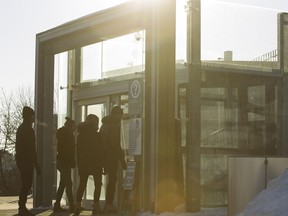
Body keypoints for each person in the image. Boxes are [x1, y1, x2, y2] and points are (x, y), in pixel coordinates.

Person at [74, 114, 103, 215]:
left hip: (84, 164)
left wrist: (79, 164)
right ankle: (95, 206)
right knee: (98, 184)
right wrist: (102, 163)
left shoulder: (80, 136)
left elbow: (78, 152)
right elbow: (100, 151)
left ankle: (77, 206)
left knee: (82, 184)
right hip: (96, 163)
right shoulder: (97, 135)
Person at [100, 106, 127, 212]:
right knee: (112, 179)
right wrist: (122, 159)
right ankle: (109, 203)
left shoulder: (104, 124)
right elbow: (114, 143)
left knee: (109, 180)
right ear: (116, 114)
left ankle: (106, 203)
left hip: (104, 157)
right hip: (111, 157)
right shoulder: (114, 125)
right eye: (120, 114)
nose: (121, 116)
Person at [15, 106, 41, 216]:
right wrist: (36, 164)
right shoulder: (28, 129)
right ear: (28, 117)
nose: (34, 118)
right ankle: (22, 208)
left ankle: (22, 207)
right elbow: (31, 148)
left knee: (25, 184)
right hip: (26, 161)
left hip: (22, 160)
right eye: (32, 116)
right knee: (26, 184)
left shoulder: (21, 128)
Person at [54, 117, 76, 213]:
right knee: (68, 183)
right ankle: (72, 205)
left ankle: (57, 205)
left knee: (63, 184)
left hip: (62, 162)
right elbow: (69, 151)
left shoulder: (62, 133)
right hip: (64, 162)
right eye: (73, 126)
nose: (74, 128)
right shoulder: (67, 134)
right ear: (70, 126)